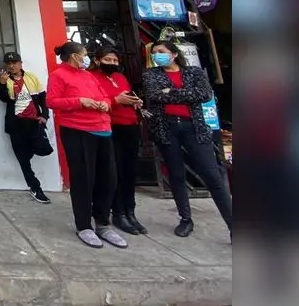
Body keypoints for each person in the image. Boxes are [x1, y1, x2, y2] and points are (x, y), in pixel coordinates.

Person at [141, 40, 232, 239]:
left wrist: (171, 92)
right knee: (176, 174)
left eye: (161, 51)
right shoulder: (151, 74)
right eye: (155, 53)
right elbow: (155, 96)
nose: (157, 55)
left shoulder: (194, 72)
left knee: (212, 175)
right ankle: (185, 219)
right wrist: (184, 95)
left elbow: (204, 94)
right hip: (167, 128)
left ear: (173, 54)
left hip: (195, 127)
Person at [45, 41, 127, 250]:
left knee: (108, 179)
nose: (86, 57)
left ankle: (103, 223)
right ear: (74, 56)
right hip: (77, 130)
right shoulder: (59, 75)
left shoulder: (88, 75)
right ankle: (83, 225)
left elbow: (104, 97)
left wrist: (104, 103)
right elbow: (52, 101)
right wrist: (80, 101)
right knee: (83, 179)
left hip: (103, 129)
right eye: (84, 54)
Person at [90, 48, 147, 235]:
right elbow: (96, 101)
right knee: (114, 173)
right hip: (109, 128)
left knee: (129, 171)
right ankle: (117, 212)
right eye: (107, 59)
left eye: (115, 59)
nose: (112, 63)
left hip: (129, 125)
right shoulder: (91, 77)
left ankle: (130, 211)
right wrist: (116, 99)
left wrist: (135, 101)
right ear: (97, 60)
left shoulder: (120, 77)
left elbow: (128, 94)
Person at [0, 51, 51, 204]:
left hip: (34, 122)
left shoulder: (31, 77)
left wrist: (45, 116)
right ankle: (36, 188)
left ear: (20, 63)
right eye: (8, 63)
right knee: (23, 160)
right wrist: (2, 83)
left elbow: (43, 98)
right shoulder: (5, 80)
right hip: (16, 124)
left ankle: (28, 151)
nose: (11, 65)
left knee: (45, 149)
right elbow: (4, 99)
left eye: (14, 62)